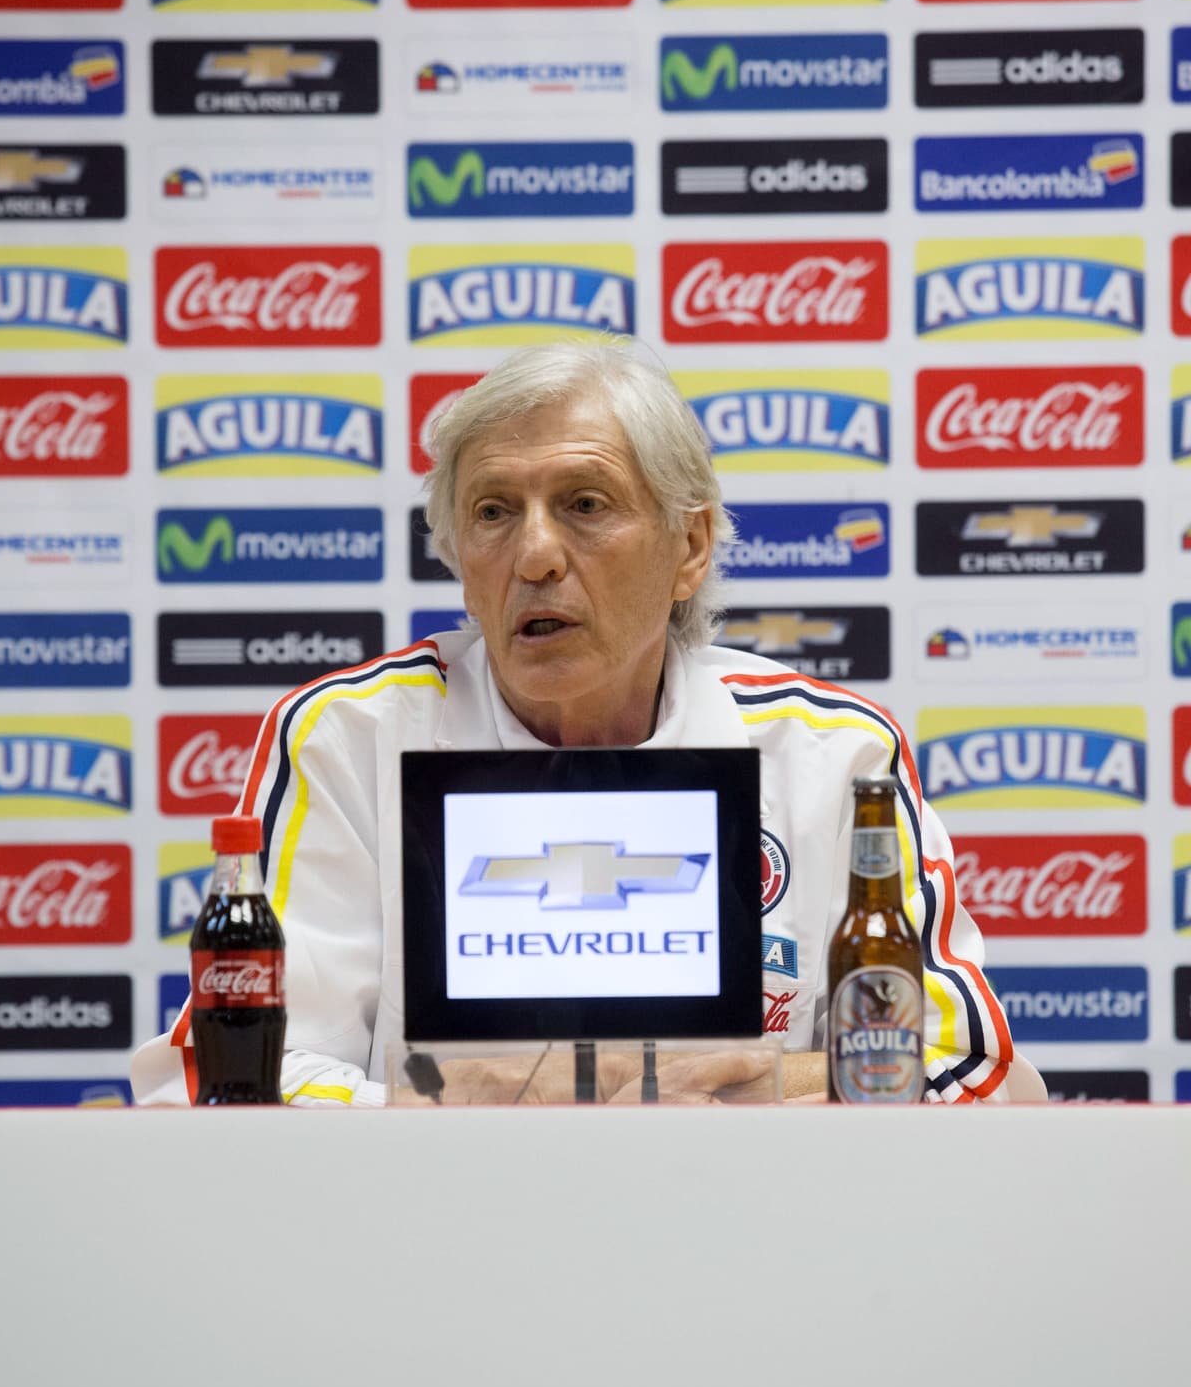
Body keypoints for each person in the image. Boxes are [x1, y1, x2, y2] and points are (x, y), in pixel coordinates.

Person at [132, 341, 1043, 1107]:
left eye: (586, 504)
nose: (533, 555)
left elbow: (976, 1072)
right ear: (457, 554)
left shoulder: (833, 751)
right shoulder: (347, 736)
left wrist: (696, 1088)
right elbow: (225, 1078)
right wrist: (476, 1104)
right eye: (493, 513)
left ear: (690, 547)